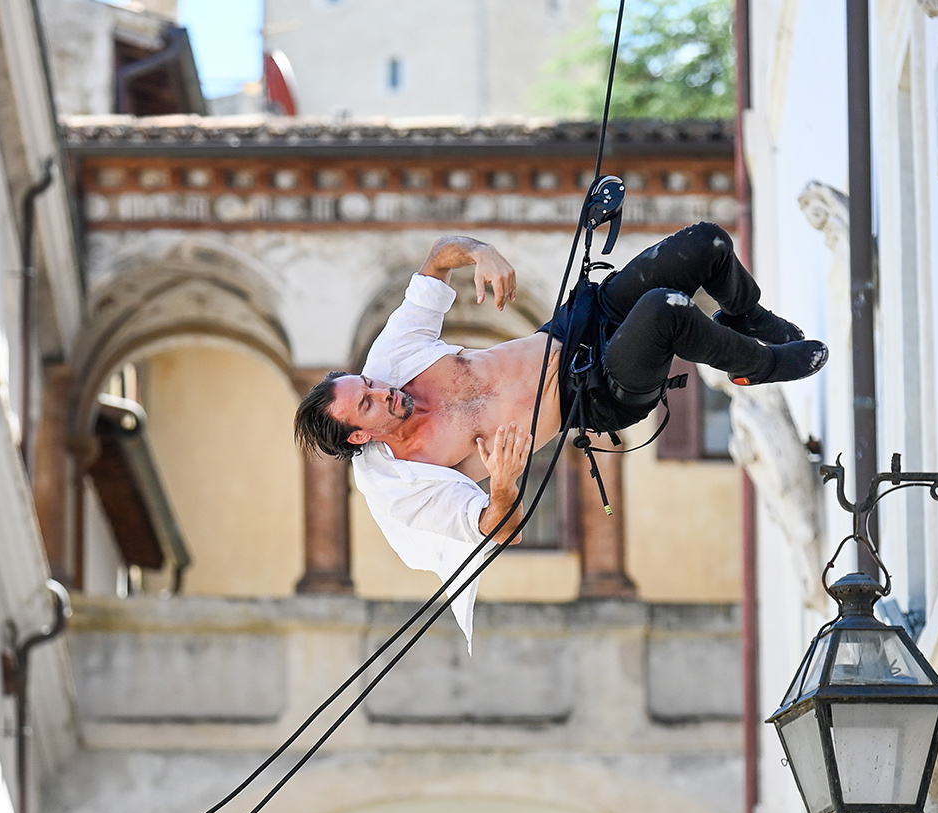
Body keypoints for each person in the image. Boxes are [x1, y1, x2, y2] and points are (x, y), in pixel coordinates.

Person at [292, 223, 826, 643]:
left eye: (369, 383)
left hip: (575, 330)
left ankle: (748, 316)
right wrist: (502, 483)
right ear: (361, 437)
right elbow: (500, 530)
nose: (382, 390)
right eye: (368, 403)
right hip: (596, 392)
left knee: (706, 244)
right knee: (666, 311)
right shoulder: (407, 483)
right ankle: (761, 363)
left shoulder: (391, 360)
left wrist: (480, 252)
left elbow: (436, 261)